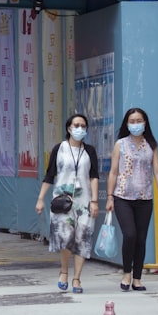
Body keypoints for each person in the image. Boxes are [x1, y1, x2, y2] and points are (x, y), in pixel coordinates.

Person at [35, 113, 100, 294]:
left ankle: (77, 278)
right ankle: (64, 271)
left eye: (83, 126)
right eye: (76, 125)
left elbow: (94, 176)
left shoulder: (90, 151)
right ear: (69, 128)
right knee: (64, 238)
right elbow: (49, 175)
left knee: (82, 239)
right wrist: (41, 198)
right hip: (62, 201)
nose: (80, 129)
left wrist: (94, 200)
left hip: (84, 201)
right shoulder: (60, 149)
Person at [106, 107, 158, 292]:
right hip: (122, 197)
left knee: (141, 239)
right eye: (132, 121)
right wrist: (110, 197)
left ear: (145, 122)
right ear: (127, 124)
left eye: (138, 121)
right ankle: (126, 273)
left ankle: (137, 278)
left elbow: (157, 171)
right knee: (130, 234)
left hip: (145, 198)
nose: (135, 124)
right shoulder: (120, 144)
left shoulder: (151, 145)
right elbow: (114, 171)